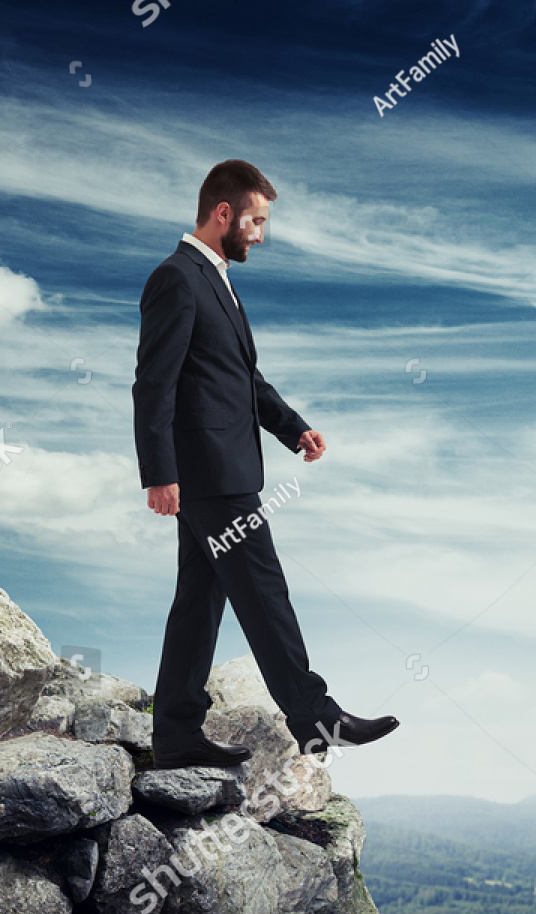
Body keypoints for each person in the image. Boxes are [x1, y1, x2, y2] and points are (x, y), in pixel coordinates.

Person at [133, 159, 398, 769]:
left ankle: (175, 732)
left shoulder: (216, 279)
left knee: (199, 603)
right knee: (263, 590)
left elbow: (242, 379)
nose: (260, 233)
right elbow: (154, 383)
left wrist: (293, 427)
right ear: (222, 213)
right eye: (255, 220)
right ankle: (315, 717)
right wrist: (159, 471)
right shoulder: (176, 277)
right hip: (210, 474)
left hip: (220, 471)